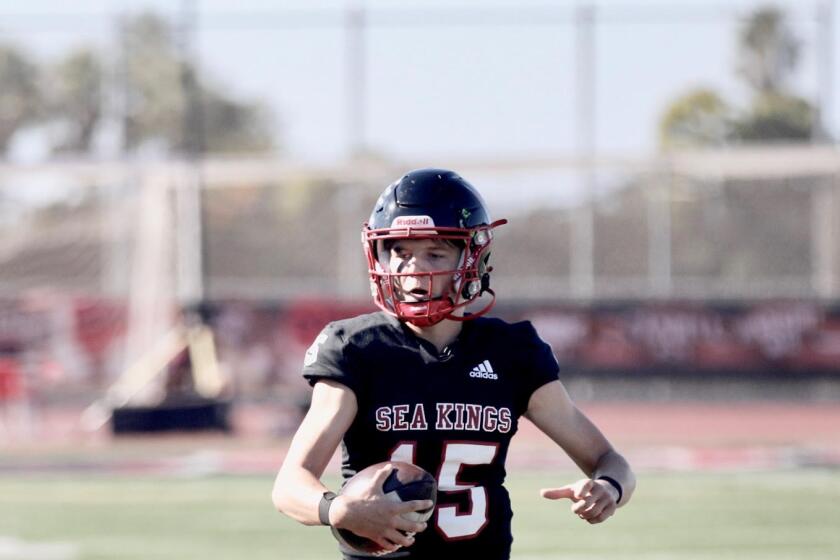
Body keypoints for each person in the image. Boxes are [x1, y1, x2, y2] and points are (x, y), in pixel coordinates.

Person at [272, 168, 636, 559]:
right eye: (401, 251)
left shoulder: (512, 350)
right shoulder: (356, 348)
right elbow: (289, 486)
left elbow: (610, 462)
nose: (414, 268)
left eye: (435, 253)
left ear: (472, 258)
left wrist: (607, 488)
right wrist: (339, 509)